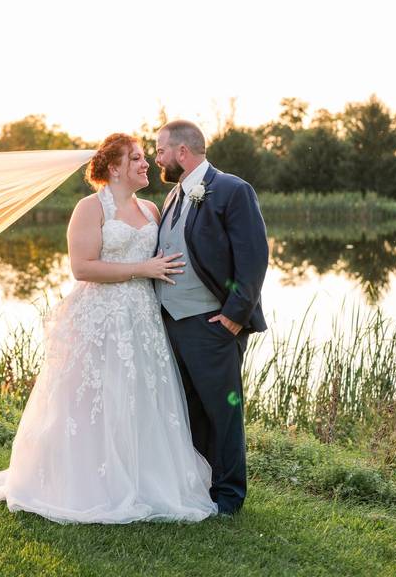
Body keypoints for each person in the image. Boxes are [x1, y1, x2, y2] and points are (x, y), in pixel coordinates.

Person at [0, 133, 219, 523]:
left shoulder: (152, 211)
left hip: (141, 320)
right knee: (93, 399)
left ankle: (143, 481)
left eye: (144, 157)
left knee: (140, 396)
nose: (145, 164)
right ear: (114, 167)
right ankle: (86, 483)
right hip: (100, 318)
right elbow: (82, 267)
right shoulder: (91, 208)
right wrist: (141, 269)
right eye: (136, 158)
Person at [153, 120, 268, 515]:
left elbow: (253, 258)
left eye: (160, 150)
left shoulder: (233, 190)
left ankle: (229, 497)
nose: (157, 159)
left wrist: (236, 316)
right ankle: (200, 488)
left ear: (182, 152)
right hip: (172, 324)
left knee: (223, 411)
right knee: (190, 411)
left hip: (212, 323)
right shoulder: (173, 195)